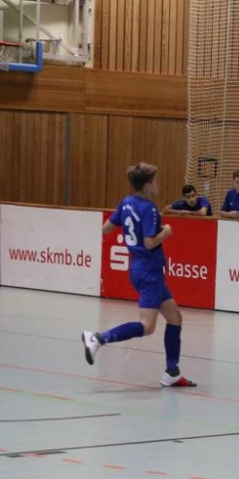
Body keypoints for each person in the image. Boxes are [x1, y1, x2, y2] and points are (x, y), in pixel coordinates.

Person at [80, 162, 196, 387]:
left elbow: (106, 229)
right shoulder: (149, 208)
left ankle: (172, 372)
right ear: (148, 185)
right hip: (150, 271)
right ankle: (98, 339)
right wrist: (166, 232)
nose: (157, 185)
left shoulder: (126, 202)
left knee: (175, 317)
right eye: (155, 181)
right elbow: (150, 242)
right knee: (147, 326)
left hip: (138, 268)